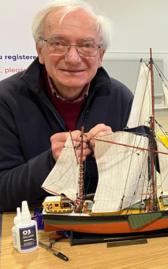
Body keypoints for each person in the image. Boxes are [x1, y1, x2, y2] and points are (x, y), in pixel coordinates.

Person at [0, 0, 133, 211]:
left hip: (104, 226)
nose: (72, 58)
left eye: (87, 45)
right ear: (40, 50)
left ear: (101, 55)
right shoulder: (5, 100)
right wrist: (51, 162)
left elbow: (138, 181)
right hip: (36, 232)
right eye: (58, 43)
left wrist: (116, 155)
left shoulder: (120, 98)